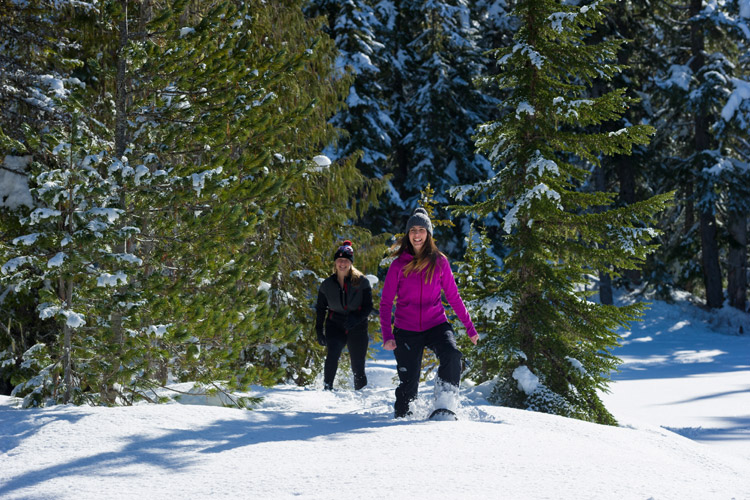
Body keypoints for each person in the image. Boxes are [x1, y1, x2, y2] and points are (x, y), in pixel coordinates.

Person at [380, 207, 479, 418]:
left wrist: (470, 328)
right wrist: (387, 335)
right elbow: (386, 302)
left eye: (421, 229)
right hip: (406, 329)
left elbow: (453, 297)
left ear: (429, 233)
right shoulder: (398, 265)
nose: (417, 234)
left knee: (452, 355)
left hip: (436, 324)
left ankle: (445, 403)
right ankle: (400, 423)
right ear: (408, 234)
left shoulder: (440, 261)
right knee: (409, 386)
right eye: (413, 230)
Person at [315, 240, 373, 390]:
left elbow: (368, 307)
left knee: (358, 364)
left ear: (351, 263)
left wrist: (356, 318)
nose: (342, 263)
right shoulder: (327, 285)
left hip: (357, 325)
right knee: (332, 355)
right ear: (335, 262)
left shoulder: (362, 282)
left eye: (346, 260)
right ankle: (327, 389)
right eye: (339, 260)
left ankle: (361, 393)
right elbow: (321, 308)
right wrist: (318, 330)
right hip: (335, 323)